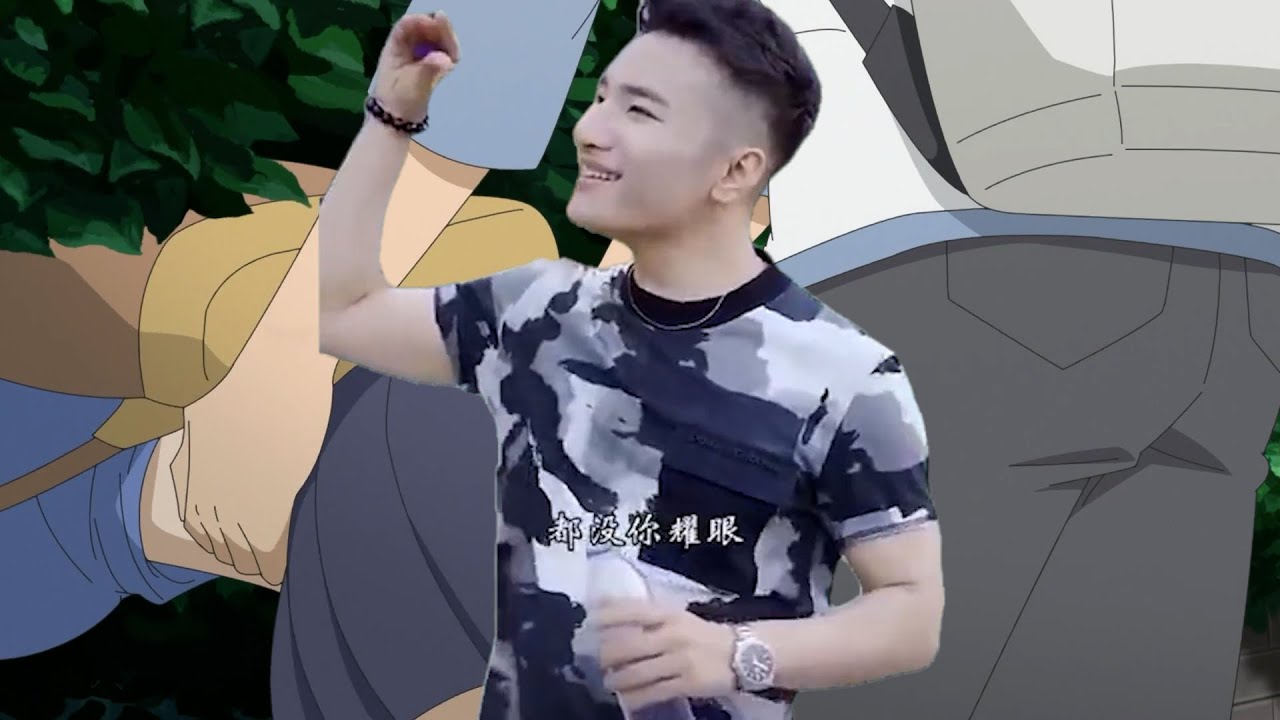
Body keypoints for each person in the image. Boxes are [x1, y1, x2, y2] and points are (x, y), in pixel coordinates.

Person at [318, 2, 944, 719]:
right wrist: (391, 114)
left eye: (639, 112)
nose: (590, 130)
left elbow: (909, 612)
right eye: (601, 98)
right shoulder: (535, 311)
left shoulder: (845, 377)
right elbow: (343, 312)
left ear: (735, 170)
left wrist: (737, 652)